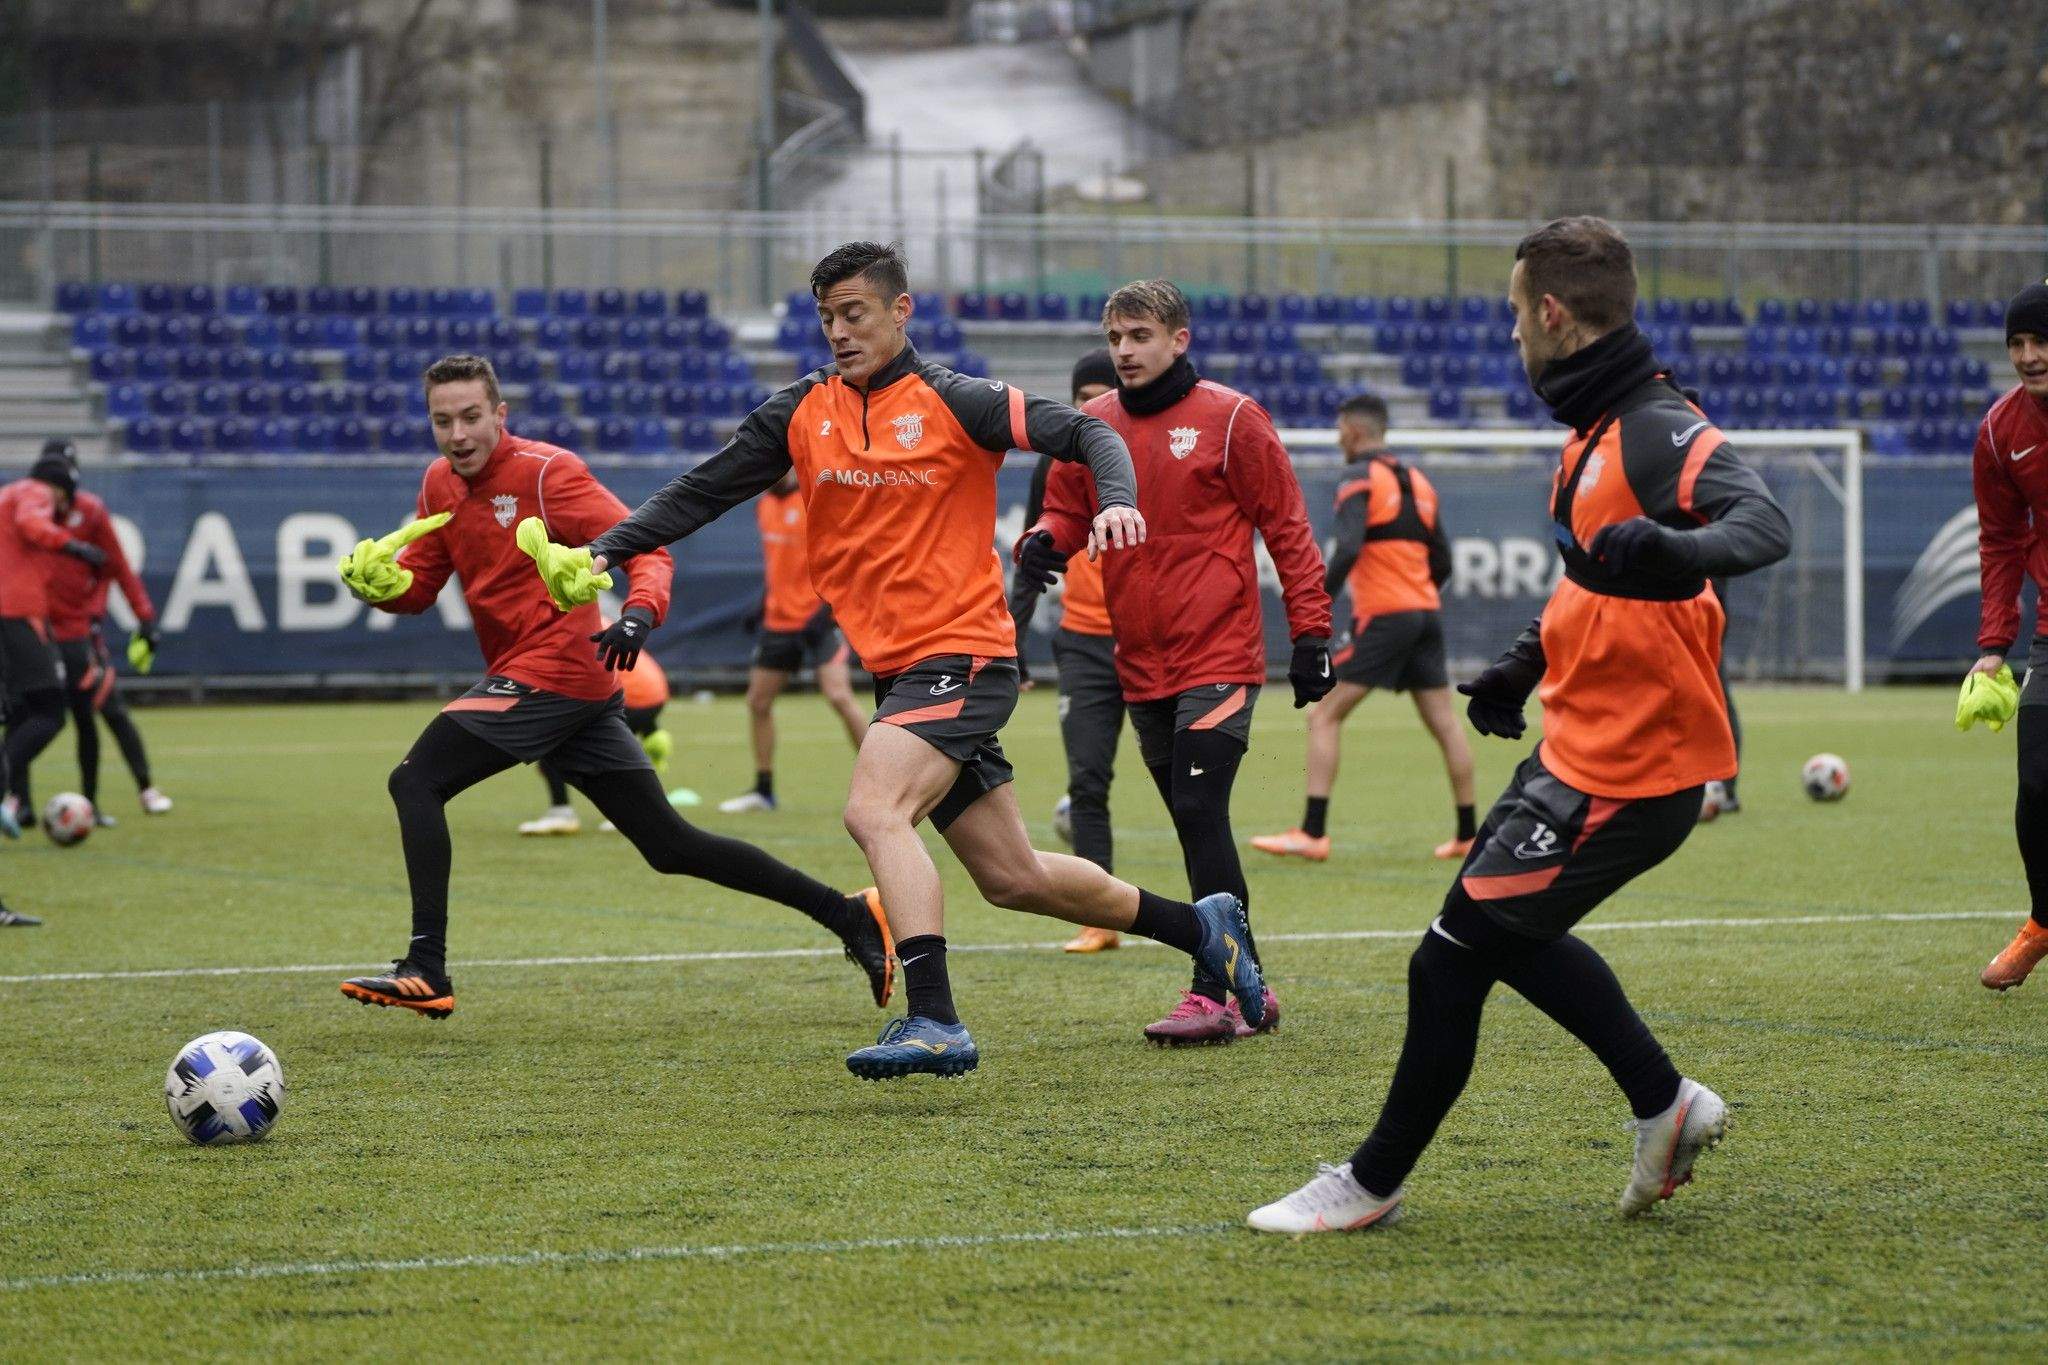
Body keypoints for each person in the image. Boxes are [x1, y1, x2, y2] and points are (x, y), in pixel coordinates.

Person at [529, 242, 1267, 1079]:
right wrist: (605, 551)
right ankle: (1203, 927)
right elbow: (703, 488)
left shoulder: (960, 400)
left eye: (855, 313)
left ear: (900, 311)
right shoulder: (803, 409)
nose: (839, 332)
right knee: (1014, 876)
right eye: (827, 317)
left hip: (965, 655)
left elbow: (1089, 436)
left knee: (874, 809)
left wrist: (1122, 504)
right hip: (902, 669)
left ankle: (936, 1019)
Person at [1248, 216, 1790, 1233]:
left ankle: (1368, 1183)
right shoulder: (1590, 433)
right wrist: (1524, 661)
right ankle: (1663, 1102)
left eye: (1511, 315)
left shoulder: (1651, 423)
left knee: (1449, 954)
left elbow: (1761, 525)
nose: (1509, 336)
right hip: (1577, 743)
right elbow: (1593, 573)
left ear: (1551, 313)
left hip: (1634, 767)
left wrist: (1668, 550)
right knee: (1491, 935)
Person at [334, 354, 895, 1020]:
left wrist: (638, 611)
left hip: (561, 670)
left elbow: (650, 548)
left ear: (500, 414)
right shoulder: (439, 483)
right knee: (671, 845)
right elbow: (422, 586)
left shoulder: (547, 474)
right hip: (555, 684)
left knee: (415, 779)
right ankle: (852, 914)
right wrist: (383, 589)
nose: (458, 435)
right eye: (442, 421)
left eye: (471, 417)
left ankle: (426, 966)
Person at [1016, 279, 1333, 1045]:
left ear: (1179, 340)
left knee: (1197, 809)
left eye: (1140, 336)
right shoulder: (1093, 426)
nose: (1124, 350)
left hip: (1219, 653)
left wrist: (1313, 634)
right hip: (1139, 660)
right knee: (1199, 824)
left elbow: (1287, 527)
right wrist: (1047, 541)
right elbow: (1068, 508)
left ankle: (1210, 991)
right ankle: (1250, 982)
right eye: (1116, 337)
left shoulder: (1231, 418)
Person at [1251, 392, 1476, 864]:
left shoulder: (1358, 477)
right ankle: (1468, 833)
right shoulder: (1419, 481)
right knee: (1445, 723)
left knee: (1323, 715)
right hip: (1425, 614)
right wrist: (1417, 592)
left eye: (1339, 429)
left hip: (1385, 616)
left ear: (1353, 431)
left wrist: (1315, 599)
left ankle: (1312, 832)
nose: (1337, 438)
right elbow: (1445, 560)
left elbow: (1349, 546)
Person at [1007, 348, 1124, 954]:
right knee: (1086, 780)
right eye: (1084, 400)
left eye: (1104, 396)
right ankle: (1101, 917)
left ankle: (1209, 913)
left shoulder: (1143, 456)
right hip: (1083, 640)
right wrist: (1014, 638)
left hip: (1156, 640)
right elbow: (1032, 555)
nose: (1093, 411)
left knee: (1187, 788)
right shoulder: (1054, 464)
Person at [1967, 281, 2048, 990]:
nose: (2028, 356)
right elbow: (2000, 541)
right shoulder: (2000, 430)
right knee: (2038, 784)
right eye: (2017, 344)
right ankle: (2044, 918)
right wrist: (1995, 643)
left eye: (2040, 341)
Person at [719, 469, 868, 814]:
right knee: (758, 702)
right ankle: (764, 790)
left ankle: (887, 780)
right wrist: (760, 606)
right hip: (779, 622)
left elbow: (845, 562)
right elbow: (780, 565)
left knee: (839, 696)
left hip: (818, 621)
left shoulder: (815, 500)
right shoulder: (763, 505)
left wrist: (825, 611)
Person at [40, 441, 170, 825]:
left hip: (82, 629)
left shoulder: (90, 511)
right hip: (35, 628)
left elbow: (119, 567)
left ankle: (136, 791)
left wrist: (144, 617)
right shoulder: (27, 510)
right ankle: (19, 802)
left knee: (101, 709)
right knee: (28, 714)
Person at [0, 447, 108, 833]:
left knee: (17, 711)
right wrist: (71, 545)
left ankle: (14, 798)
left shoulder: (6, 495)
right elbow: (32, 523)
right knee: (49, 711)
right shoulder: (37, 493)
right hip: (16, 612)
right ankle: (6, 788)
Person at [518, 624, 676, 835]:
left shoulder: (564, 623)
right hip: (654, 690)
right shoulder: (591, 616)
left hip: (630, 694)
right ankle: (638, 807)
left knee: (556, 745)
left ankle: (565, 812)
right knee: (610, 752)